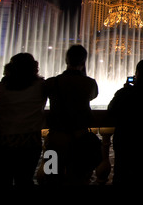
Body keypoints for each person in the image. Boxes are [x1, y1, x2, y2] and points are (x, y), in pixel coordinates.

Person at [0, 53, 46, 185]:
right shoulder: (41, 87)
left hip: (0, 142)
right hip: (28, 144)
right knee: (24, 181)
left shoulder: (0, 88)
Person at [45, 44, 99, 185]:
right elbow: (92, 96)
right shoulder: (90, 83)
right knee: (79, 177)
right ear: (83, 62)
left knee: (51, 176)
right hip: (80, 138)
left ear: (66, 60)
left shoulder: (51, 82)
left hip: (55, 139)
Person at [108, 59, 143, 186]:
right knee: (141, 176)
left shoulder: (124, 92)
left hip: (124, 140)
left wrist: (125, 90)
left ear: (136, 73)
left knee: (120, 174)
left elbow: (111, 110)